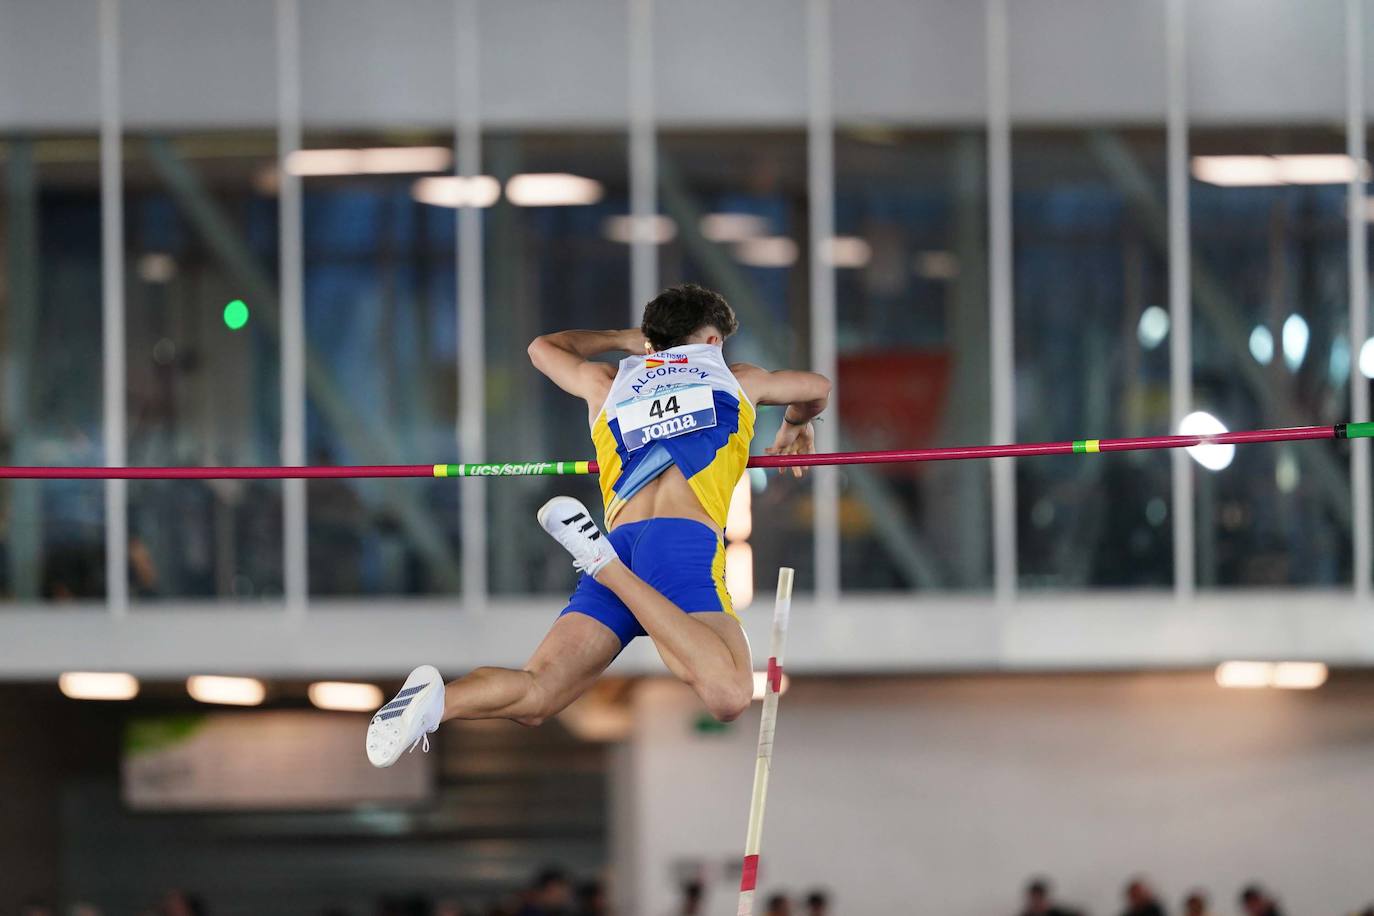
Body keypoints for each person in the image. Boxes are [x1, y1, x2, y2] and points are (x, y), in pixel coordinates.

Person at [366, 284, 830, 766]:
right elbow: (818, 388)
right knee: (730, 693)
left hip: (622, 538)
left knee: (538, 694)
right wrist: (796, 422)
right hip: (680, 546)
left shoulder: (607, 382)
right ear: (712, 344)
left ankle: (438, 702)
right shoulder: (739, 378)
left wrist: (625, 340)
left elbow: (542, 349)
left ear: (652, 339)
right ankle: (604, 566)